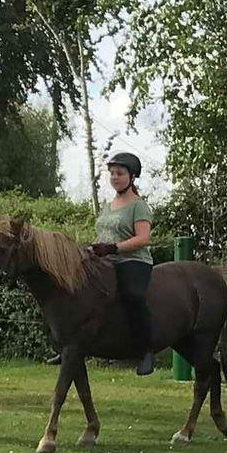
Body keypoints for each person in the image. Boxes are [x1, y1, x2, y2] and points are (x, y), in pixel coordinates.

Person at [90, 150, 156, 375]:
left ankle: (145, 351)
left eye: (119, 173)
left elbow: (143, 238)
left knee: (133, 296)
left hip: (132, 261)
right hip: (105, 261)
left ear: (132, 177)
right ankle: (71, 342)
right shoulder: (108, 206)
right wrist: (95, 248)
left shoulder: (139, 206)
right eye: (112, 173)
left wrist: (114, 248)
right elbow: (104, 234)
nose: (115, 177)